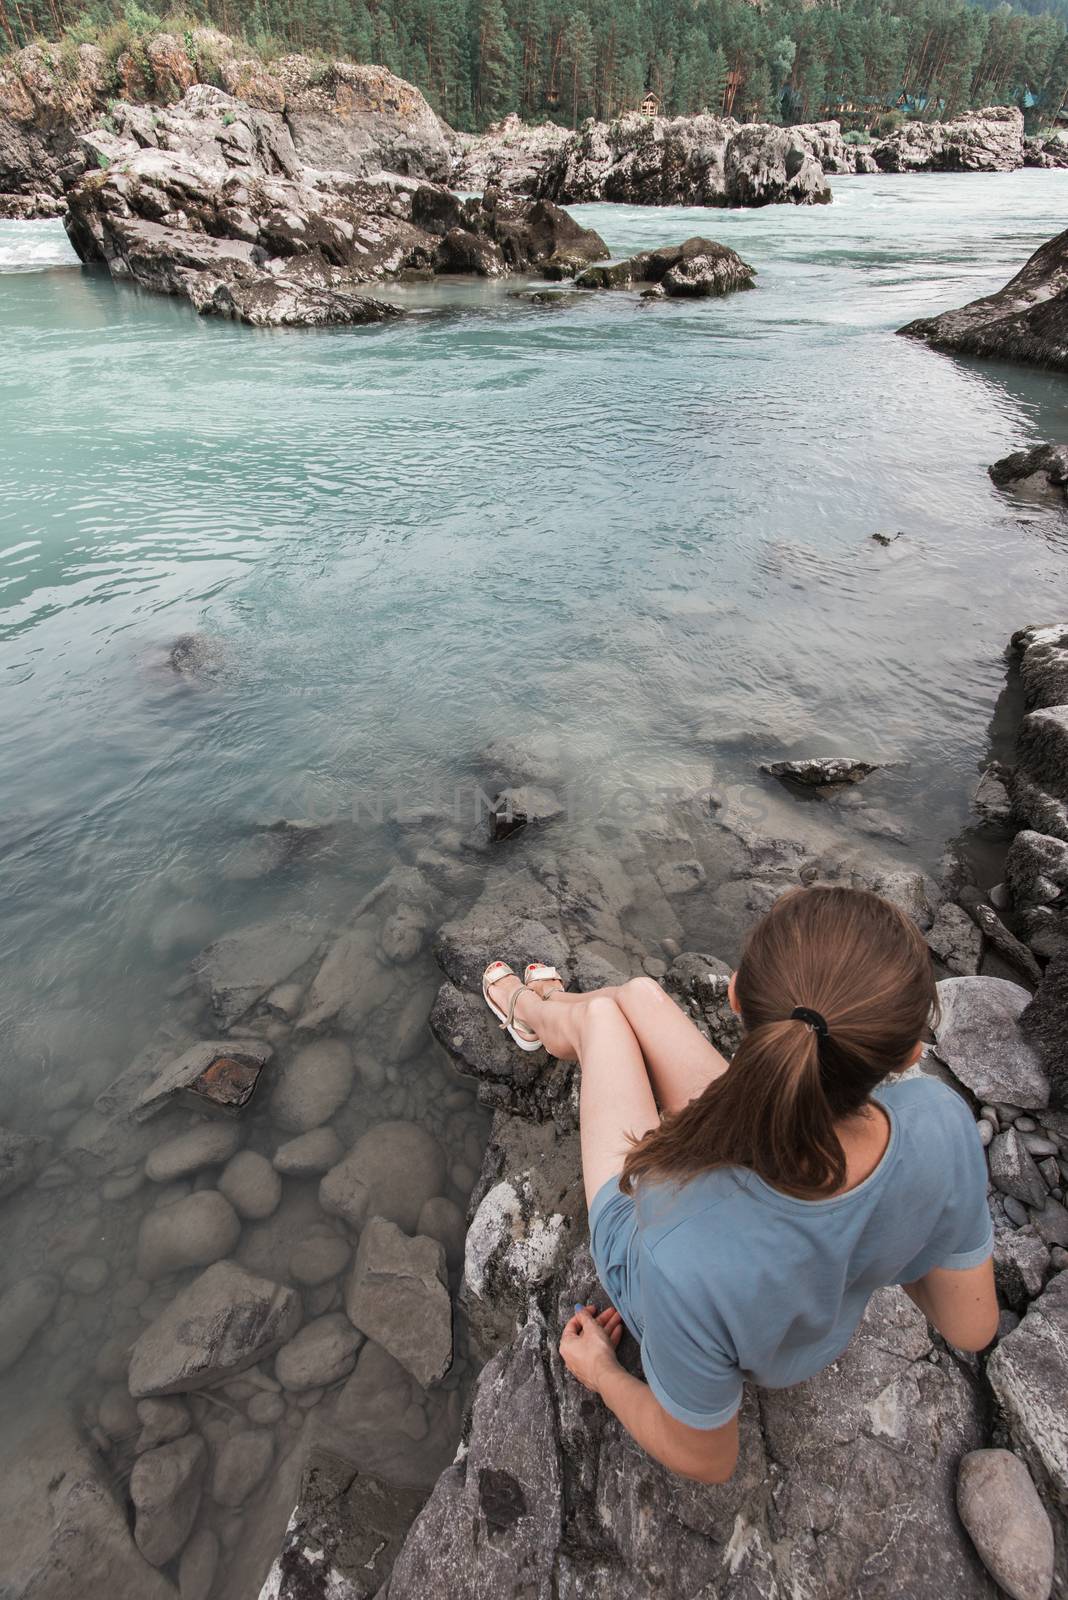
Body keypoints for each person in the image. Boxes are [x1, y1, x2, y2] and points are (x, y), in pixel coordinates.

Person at [482, 884, 997, 1486]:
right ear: (910, 1053)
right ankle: (553, 1005)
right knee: (642, 995)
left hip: (655, 1249)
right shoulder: (941, 1120)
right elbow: (972, 1327)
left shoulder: (681, 1245)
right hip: (767, 1155)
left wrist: (602, 1373)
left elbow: (706, 1457)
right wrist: (881, 1229)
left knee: (605, 1020)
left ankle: (531, 1013)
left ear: (734, 996)